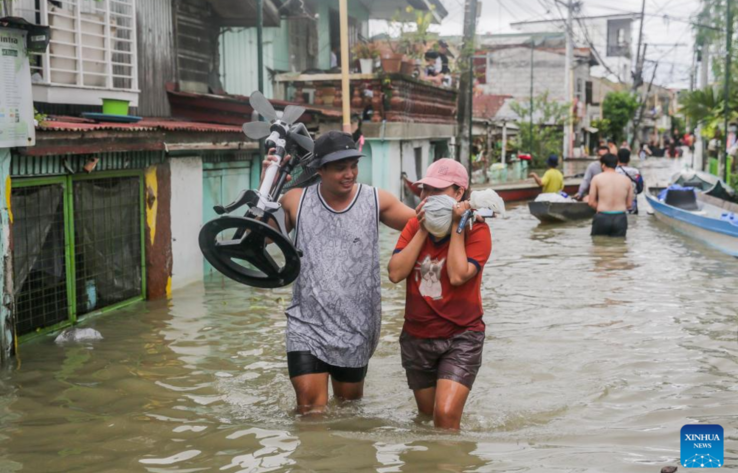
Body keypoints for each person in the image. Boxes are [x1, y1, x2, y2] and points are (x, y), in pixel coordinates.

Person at [261, 131, 417, 415]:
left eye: (353, 166)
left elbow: (424, 225)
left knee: (349, 411)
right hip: (306, 324)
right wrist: (266, 185)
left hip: (356, 327)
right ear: (319, 169)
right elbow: (258, 238)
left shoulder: (375, 200)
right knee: (309, 407)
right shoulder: (296, 201)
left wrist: (464, 215)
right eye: (339, 168)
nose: (349, 174)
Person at [387, 158, 492, 430]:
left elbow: (458, 275)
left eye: (437, 191)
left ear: (459, 193)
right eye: (425, 191)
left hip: (461, 335)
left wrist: (457, 225)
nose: (428, 197)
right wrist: (423, 227)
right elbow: (396, 273)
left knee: (444, 417)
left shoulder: (476, 230)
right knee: (427, 418)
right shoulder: (414, 226)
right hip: (418, 336)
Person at [588, 153, 634, 237]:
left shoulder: (596, 178)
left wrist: (601, 208)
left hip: (602, 217)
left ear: (603, 165)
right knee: (619, 246)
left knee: (599, 246)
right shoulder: (627, 180)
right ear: (616, 164)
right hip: (620, 218)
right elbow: (629, 204)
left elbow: (591, 202)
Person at [616, 148, 644, 215]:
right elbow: (640, 189)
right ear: (629, 159)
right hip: (632, 206)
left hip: (616, 206)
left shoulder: (613, 171)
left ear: (617, 158)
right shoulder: (636, 172)